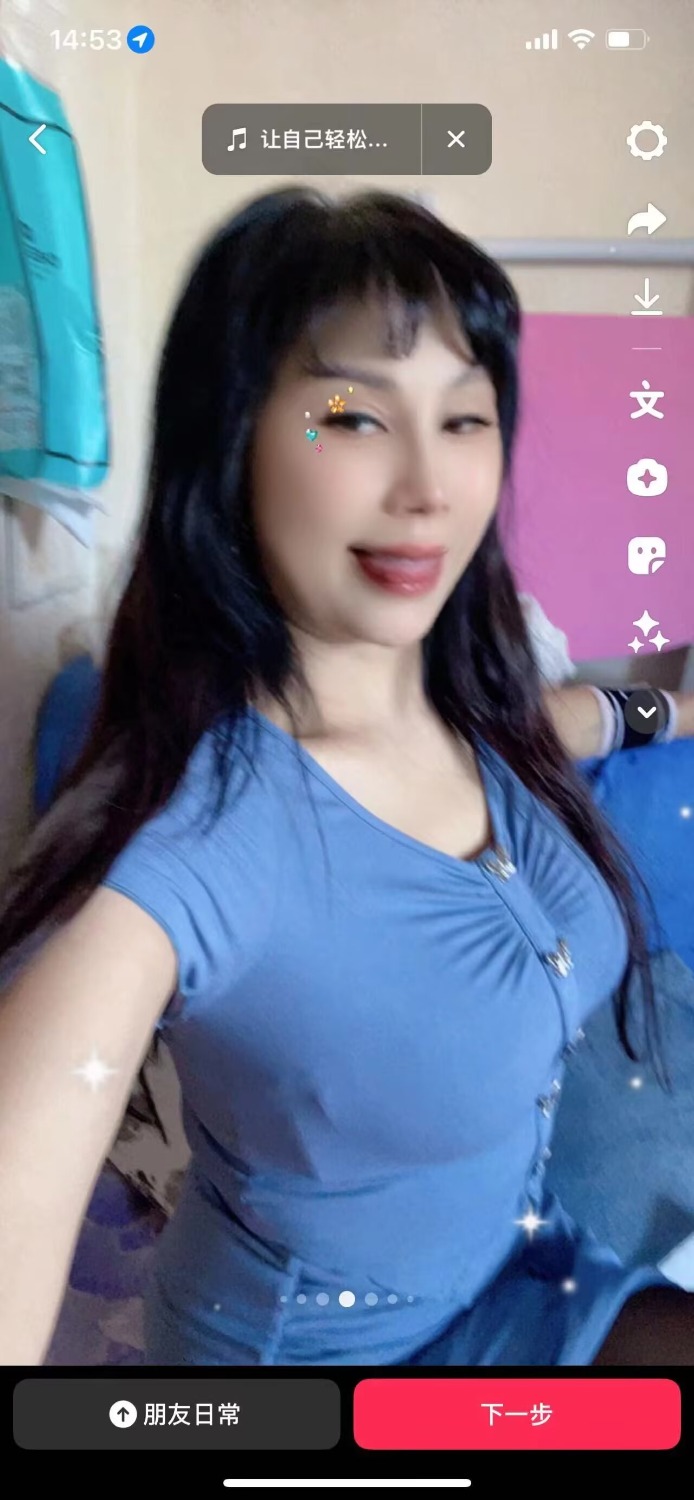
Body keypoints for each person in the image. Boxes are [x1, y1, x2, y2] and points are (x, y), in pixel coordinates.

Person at [0, 186, 692, 1368]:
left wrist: (671, 708)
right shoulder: (177, 843)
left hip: (528, 1274)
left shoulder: (480, 715)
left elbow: (577, 720)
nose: (428, 485)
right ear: (231, 445)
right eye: (352, 416)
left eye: (463, 418)